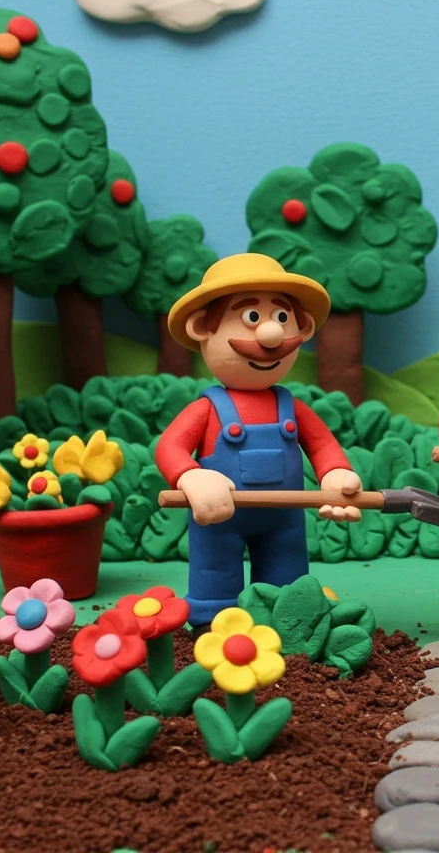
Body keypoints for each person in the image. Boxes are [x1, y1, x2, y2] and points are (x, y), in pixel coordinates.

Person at [157, 253, 363, 631]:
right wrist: (191, 476)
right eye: (251, 317)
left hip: (283, 519)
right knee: (215, 574)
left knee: (287, 581)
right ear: (204, 328)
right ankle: (213, 620)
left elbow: (321, 446)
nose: (270, 335)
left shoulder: (290, 405)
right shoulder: (208, 408)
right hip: (219, 517)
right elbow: (169, 448)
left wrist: (335, 474)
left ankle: (288, 621)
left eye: (281, 318)